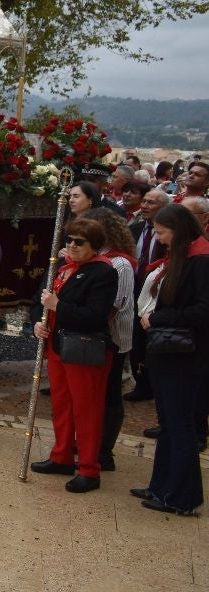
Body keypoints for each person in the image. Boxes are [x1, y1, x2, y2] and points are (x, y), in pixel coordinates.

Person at [30, 218, 118, 492]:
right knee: (63, 405)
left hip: (84, 349)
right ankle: (62, 455)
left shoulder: (103, 272)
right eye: (69, 239)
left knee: (86, 410)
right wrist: (39, 323)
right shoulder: (63, 267)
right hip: (58, 346)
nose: (71, 245)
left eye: (79, 242)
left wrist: (58, 306)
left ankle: (90, 469)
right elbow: (40, 302)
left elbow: (95, 315)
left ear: (94, 245)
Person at [134, 204, 208, 515]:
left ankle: (182, 495)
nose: (159, 238)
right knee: (168, 424)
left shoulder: (201, 261)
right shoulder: (179, 259)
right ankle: (161, 486)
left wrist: (160, 317)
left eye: (162, 232)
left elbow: (203, 310)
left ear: (178, 231)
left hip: (185, 356)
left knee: (180, 426)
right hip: (167, 353)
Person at [82, 207, 136, 470]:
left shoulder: (120, 263)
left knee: (110, 393)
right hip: (94, 335)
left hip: (112, 338)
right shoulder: (95, 257)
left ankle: (105, 451)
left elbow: (115, 306)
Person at [125, 187, 171, 401]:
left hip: (156, 295)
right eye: (144, 201)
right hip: (134, 291)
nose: (144, 206)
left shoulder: (168, 236)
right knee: (136, 340)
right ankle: (141, 383)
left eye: (151, 203)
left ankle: (153, 384)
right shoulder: (135, 229)